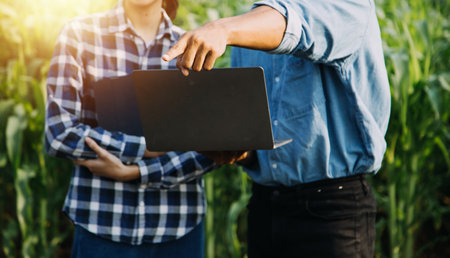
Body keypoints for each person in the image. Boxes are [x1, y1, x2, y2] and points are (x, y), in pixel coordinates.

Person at [163, 0, 390, 257]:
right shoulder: (246, 26)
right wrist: (235, 150)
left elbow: (297, 26)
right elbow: (252, 134)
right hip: (265, 207)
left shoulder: (348, 5)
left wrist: (221, 29)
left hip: (332, 210)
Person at [44, 0, 240, 257]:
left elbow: (209, 149)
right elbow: (59, 134)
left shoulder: (193, 46)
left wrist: (137, 172)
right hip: (101, 225)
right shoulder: (79, 35)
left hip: (178, 228)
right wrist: (146, 147)